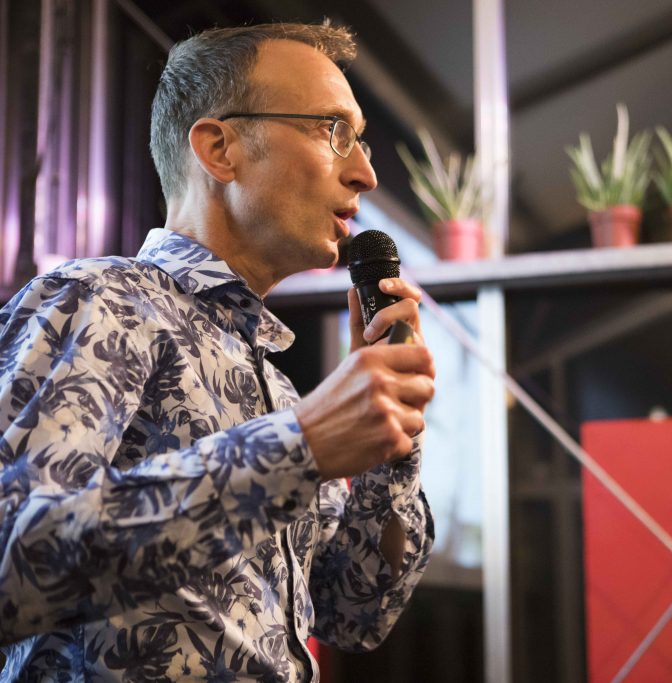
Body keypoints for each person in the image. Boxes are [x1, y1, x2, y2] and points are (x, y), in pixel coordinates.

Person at [0, 22, 436, 680]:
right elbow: (12, 557)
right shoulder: (100, 301)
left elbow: (355, 611)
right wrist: (300, 446)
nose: (366, 174)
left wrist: (390, 443)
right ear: (219, 149)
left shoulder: (277, 389)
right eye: (334, 130)